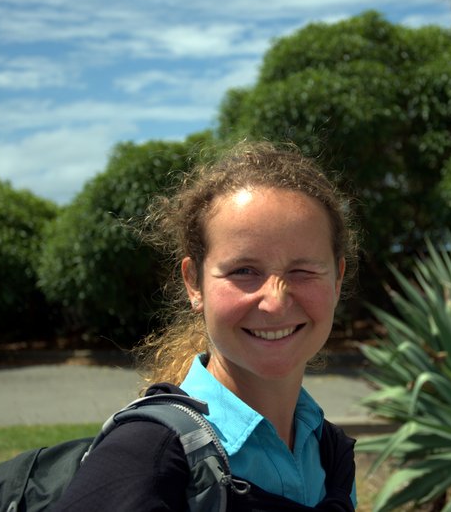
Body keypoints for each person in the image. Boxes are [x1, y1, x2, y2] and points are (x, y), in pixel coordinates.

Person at [53, 141, 360, 511]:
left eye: (303, 270)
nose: (275, 302)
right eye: (243, 271)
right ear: (193, 283)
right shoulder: (145, 459)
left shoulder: (328, 452)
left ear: (337, 280)